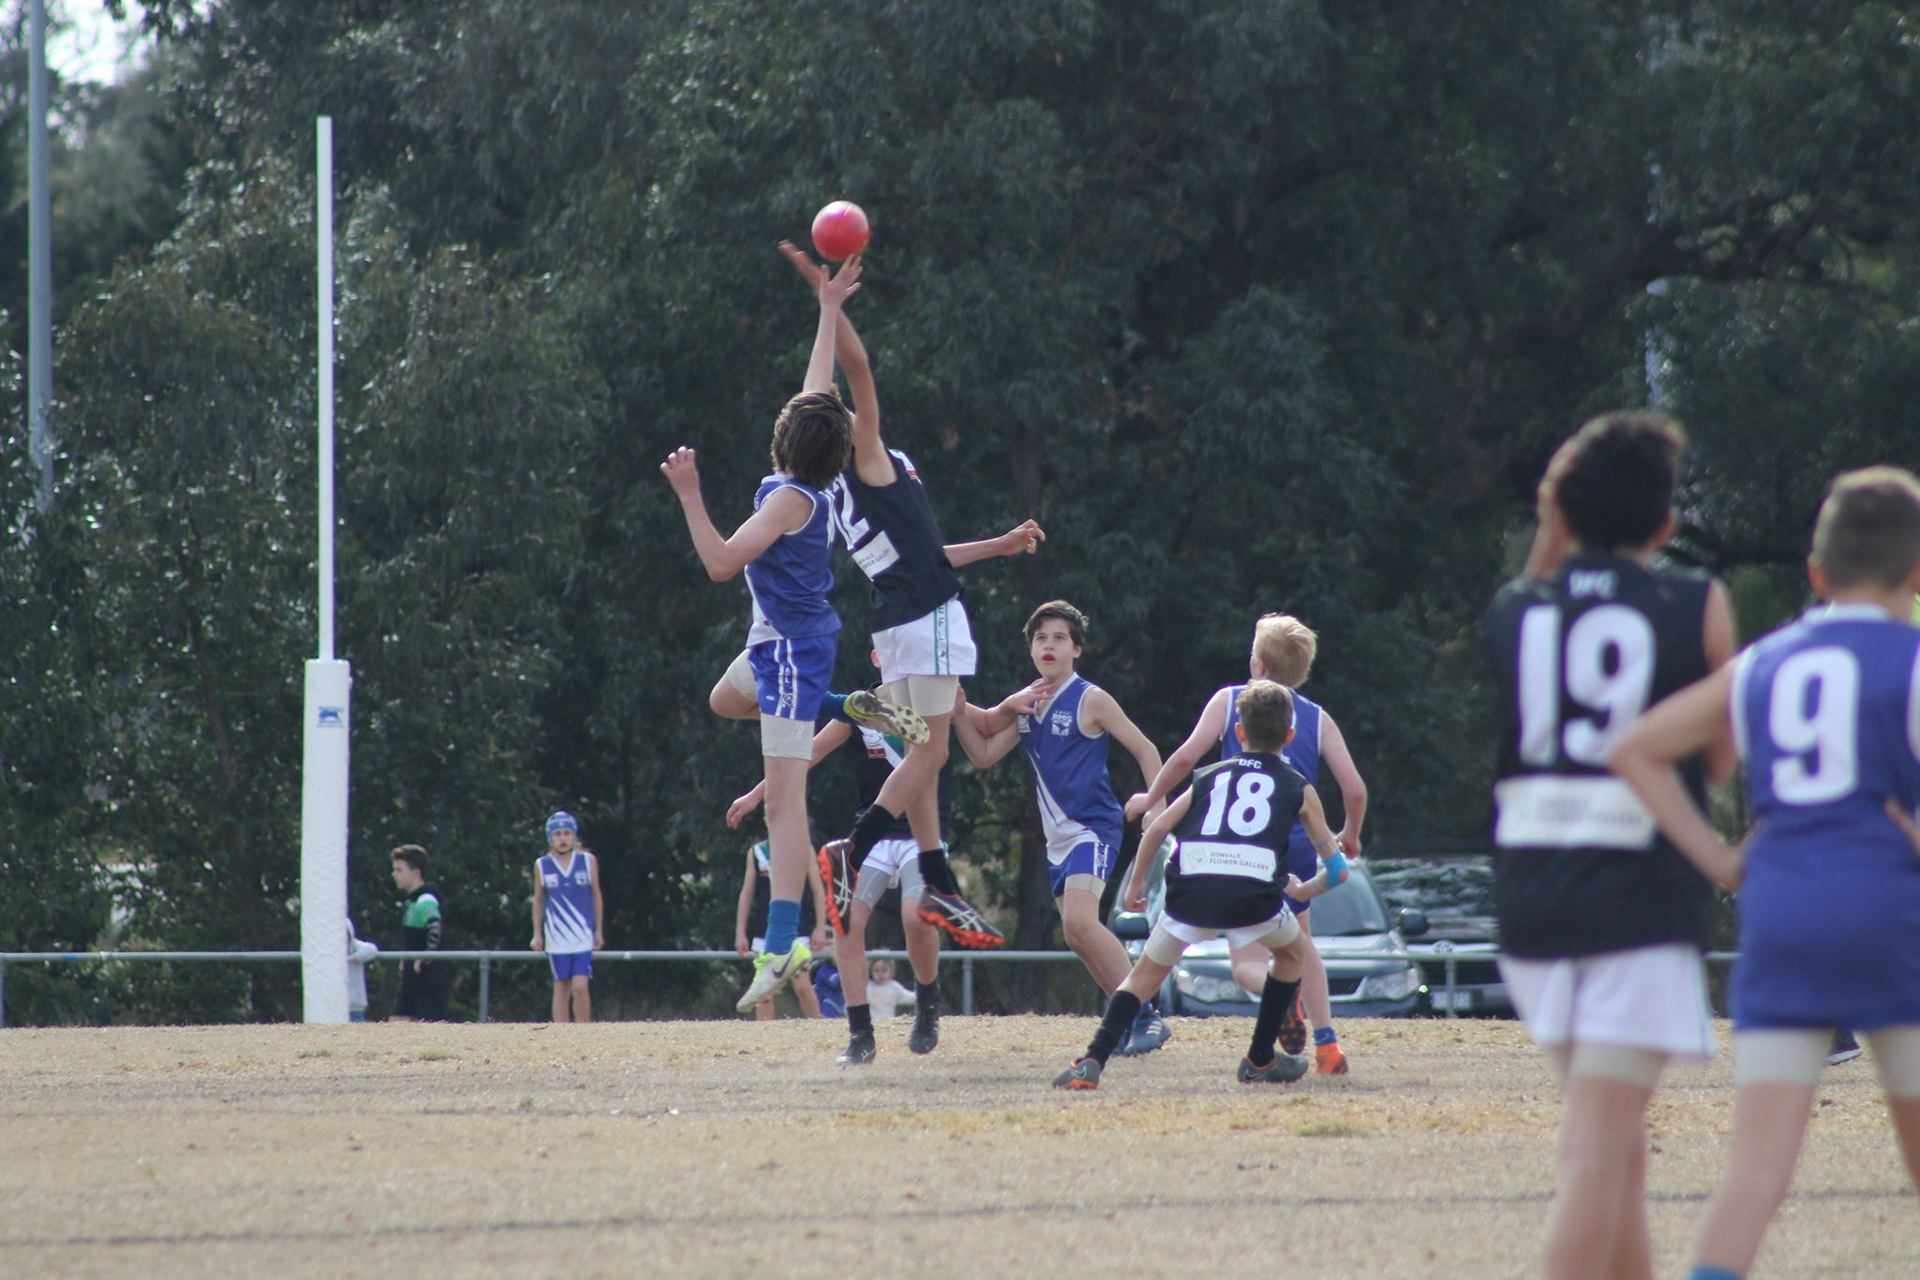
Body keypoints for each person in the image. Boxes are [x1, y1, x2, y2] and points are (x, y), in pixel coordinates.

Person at [1610, 466, 1920, 1280]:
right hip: (1888, 915)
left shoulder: (1764, 663)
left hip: (1782, 915)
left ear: (1816, 573)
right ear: (1918, 575)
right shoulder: (1912, 661)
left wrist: (1721, 857)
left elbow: (1636, 748)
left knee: (1755, 1175)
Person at [1485, 411, 1738, 1280]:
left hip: (1532, 900)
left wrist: (1553, 523)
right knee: (1597, 1151)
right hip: (1640, 896)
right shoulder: (1695, 600)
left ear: (1559, 512)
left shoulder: (1515, 608)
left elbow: (1531, 603)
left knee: (1616, 1146)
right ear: (1666, 525)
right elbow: (1720, 759)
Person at [770, 241, 1043, 951]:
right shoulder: (866, 458)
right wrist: (836, 311)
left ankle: (935, 873)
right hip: (928, 615)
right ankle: (854, 850)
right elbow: (855, 373)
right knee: (930, 751)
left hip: (894, 617)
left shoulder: (822, 477)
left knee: (916, 746)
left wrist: (825, 307)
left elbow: (817, 393)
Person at [662, 252, 860, 1014]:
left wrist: (690, 494)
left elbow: (719, 564)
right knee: (723, 699)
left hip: (789, 656)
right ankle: (844, 704)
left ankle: (783, 945)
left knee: (784, 803)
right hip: (784, 651)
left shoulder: (786, 501)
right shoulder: (817, 481)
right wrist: (828, 308)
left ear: (784, 439)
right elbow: (820, 390)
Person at [1052, 681, 1349, 1089]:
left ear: (1239, 733)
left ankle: (1091, 1061)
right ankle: (1260, 1058)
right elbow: (1338, 872)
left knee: (1142, 978)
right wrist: (1302, 891)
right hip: (1254, 895)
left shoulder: (1208, 776)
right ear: (1290, 736)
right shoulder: (1300, 787)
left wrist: (1135, 884)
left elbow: (1158, 828)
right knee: (1294, 953)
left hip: (1191, 888)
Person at [1127, 612, 1367, 1074]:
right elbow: (1354, 789)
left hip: (1245, 848)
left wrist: (1150, 797)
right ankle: (1327, 1045)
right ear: (1302, 671)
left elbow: (1186, 758)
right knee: (1301, 947)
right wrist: (1350, 833)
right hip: (1299, 844)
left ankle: (1285, 999)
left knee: (1246, 963)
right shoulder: (1317, 718)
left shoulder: (1230, 701)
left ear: (1257, 664)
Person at [952, 599, 1172, 1056]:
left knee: (1079, 922)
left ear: (1077, 650)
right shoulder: (1030, 701)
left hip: (1093, 828)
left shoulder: (1090, 698)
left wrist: (1158, 807)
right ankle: (1127, 1019)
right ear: (1031, 650)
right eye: (1040, 638)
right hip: (1058, 840)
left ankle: (1146, 1015)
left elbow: (1147, 749)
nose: (1048, 645)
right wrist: (955, 711)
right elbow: (984, 754)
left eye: (1059, 638)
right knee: (1075, 934)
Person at [727, 679, 948, 1062]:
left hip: (921, 834)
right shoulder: (859, 706)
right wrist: (756, 794)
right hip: (872, 834)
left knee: (916, 917)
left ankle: (928, 1003)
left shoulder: (936, 695)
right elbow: (807, 753)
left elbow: (985, 726)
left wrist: (1020, 705)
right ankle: (860, 1035)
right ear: (879, 656)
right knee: (845, 921)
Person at [731, 838, 829, 1020]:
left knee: (802, 986)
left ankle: (818, 1026)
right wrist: (740, 931)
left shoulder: (803, 848)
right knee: (764, 993)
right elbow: (747, 893)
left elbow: (817, 890)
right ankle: (765, 1034)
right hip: (764, 932)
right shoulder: (757, 852)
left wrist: (820, 927)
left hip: (797, 929)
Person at [530, 811, 604, 1023]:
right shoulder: (542, 865)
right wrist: (537, 934)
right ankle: (561, 1033)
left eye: (567, 833)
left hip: (582, 934)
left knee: (580, 986)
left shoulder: (587, 861)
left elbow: (596, 895)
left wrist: (598, 931)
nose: (563, 838)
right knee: (561, 986)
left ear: (574, 835)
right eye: (557, 834)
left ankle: (582, 1030)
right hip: (556, 936)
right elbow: (539, 900)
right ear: (550, 838)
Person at [389, 845, 451, 1022]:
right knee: (394, 1028)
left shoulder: (425, 900)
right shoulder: (411, 901)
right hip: (411, 982)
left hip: (428, 983)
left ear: (416, 873)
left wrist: (425, 958)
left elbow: (436, 928)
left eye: (399, 870)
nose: (394, 874)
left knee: (429, 1034)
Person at [346, 921, 377, 1023]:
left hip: (354, 1006)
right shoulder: (328, 952)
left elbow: (371, 949)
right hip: (333, 1005)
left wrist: (352, 958)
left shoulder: (355, 946)